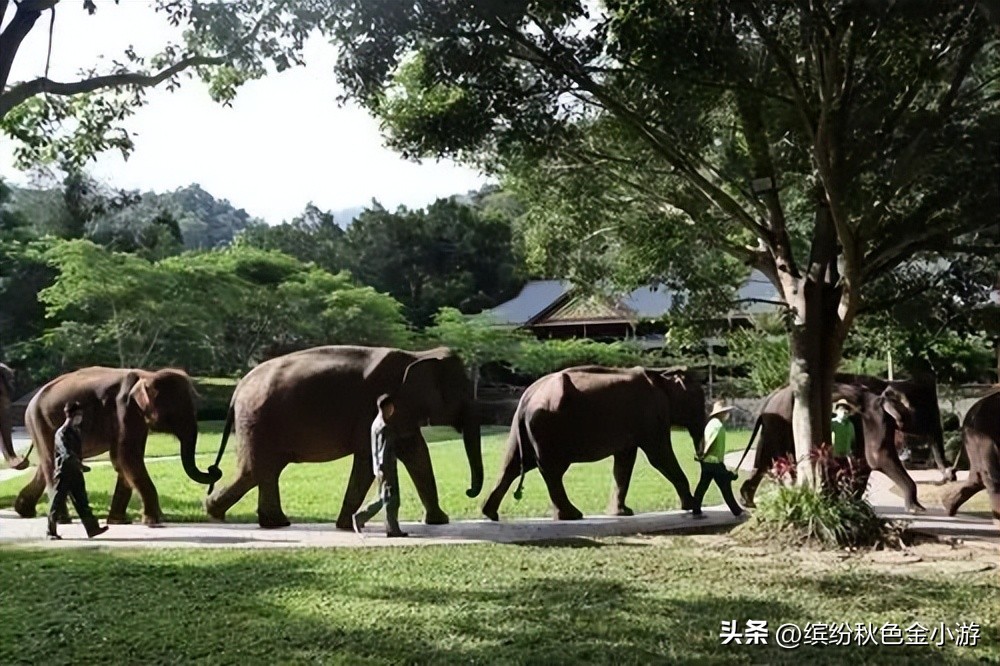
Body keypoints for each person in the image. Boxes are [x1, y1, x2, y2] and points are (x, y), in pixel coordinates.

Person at [47, 402, 108, 540]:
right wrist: (80, 466)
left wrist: (79, 467)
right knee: (57, 503)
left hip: (75, 473)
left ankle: (92, 528)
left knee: (82, 501)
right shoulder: (61, 434)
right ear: (73, 415)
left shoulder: (75, 432)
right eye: (79, 415)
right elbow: (66, 453)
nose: (80, 418)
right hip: (64, 473)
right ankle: (50, 531)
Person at [352, 394, 408, 538]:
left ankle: (361, 517)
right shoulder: (384, 427)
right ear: (387, 407)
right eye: (391, 407)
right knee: (391, 499)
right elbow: (383, 450)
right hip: (386, 467)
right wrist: (384, 469)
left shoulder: (377, 423)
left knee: (383, 497)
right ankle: (391, 528)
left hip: (381, 467)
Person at [691, 399, 745, 518]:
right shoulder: (718, 426)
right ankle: (737, 512)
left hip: (708, 462)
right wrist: (704, 454)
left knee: (703, 486)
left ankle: (696, 510)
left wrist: (702, 455)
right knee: (725, 485)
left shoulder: (710, 423)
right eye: (725, 412)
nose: (727, 414)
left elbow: (703, 440)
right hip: (714, 462)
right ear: (720, 413)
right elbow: (710, 441)